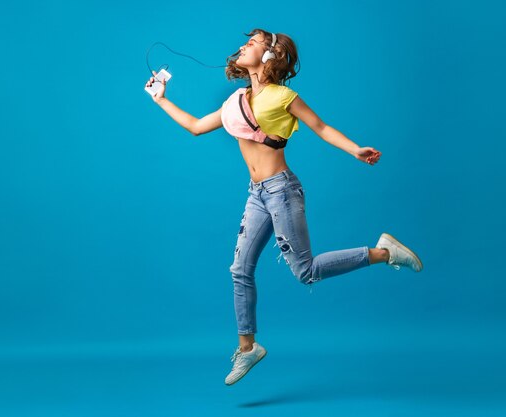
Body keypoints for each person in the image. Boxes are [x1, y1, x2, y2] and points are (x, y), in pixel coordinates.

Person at [145, 28, 423, 386]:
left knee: (306, 271)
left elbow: (320, 127)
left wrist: (355, 149)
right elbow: (197, 126)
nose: (243, 45)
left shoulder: (282, 96)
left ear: (269, 57)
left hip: (282, 191)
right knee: (239, 269)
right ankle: (248, 348)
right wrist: (161, 99)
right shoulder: (235, 100)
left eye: (254, 43)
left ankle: (384, 252)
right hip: (256, 193)